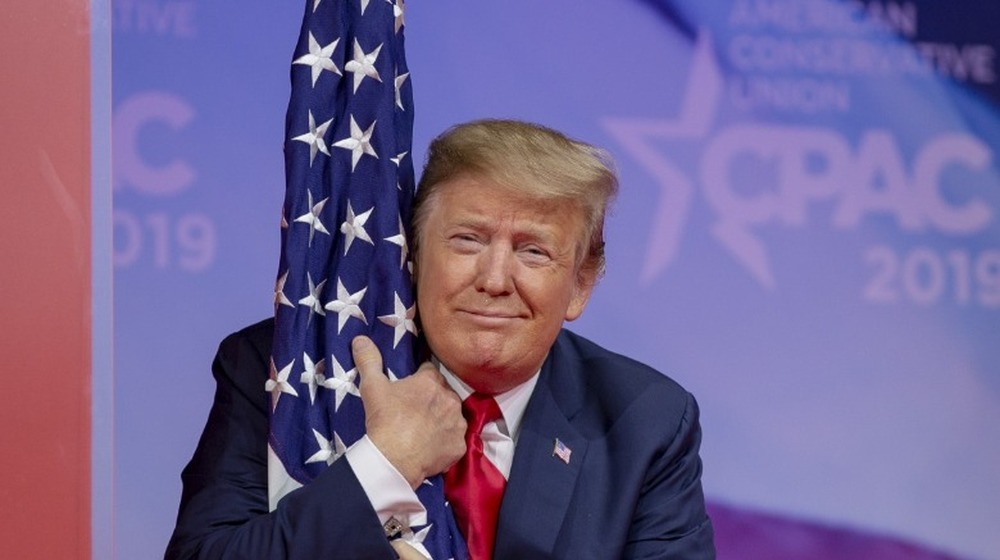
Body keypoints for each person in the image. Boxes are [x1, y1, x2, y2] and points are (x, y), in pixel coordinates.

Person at [165, 119, 715, 559]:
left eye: (533, 251)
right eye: (468, 240)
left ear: (581, 284)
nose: (495, 279)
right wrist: (384, 465)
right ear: (413, 254)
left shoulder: (646, 421)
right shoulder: (283, 370)